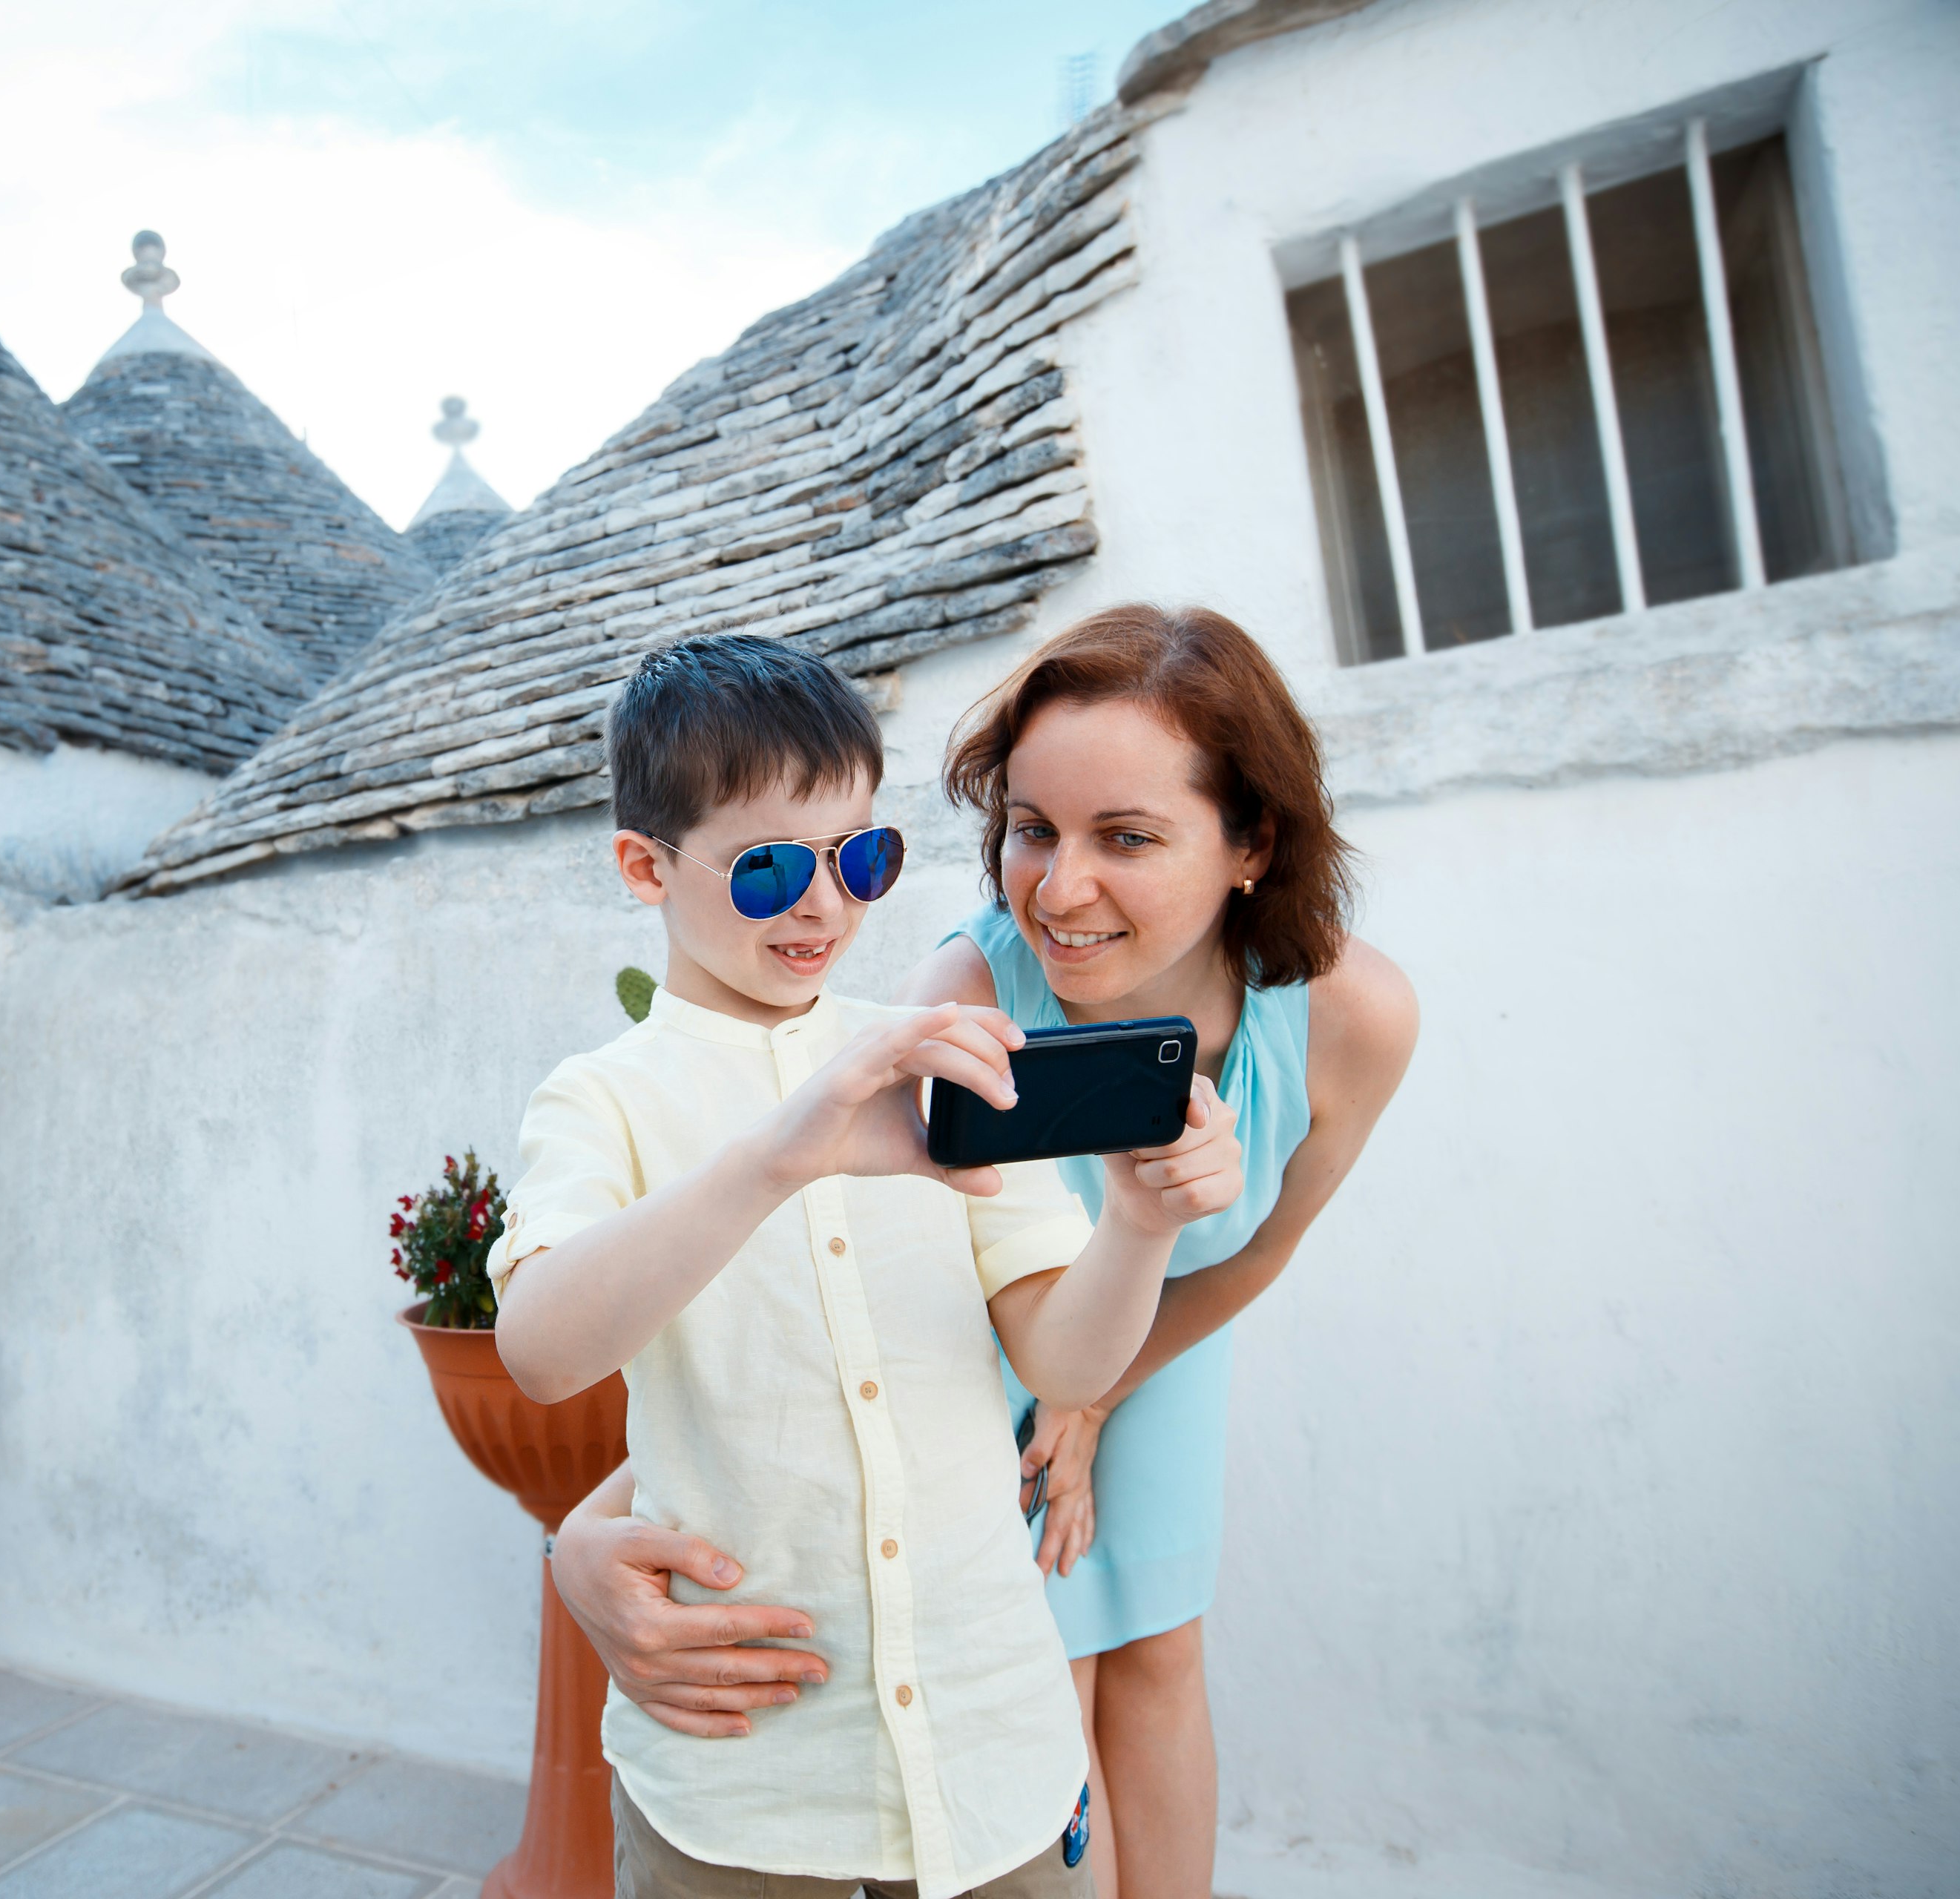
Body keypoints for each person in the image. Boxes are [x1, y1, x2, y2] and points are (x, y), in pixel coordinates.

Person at [548, 605, 1418, 1899]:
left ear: (1251, 845)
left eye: (1127, 836)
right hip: (988, 1373)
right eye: (1030, 830)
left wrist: (1100, 1386)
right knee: (1040, 1670)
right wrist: (581, 1537)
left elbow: (1251, 1252)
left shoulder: (1355, 1017)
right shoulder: (950, 1008)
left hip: (1151, 1334)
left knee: (1163, 1656)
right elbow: (814, 1325)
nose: (1058, 889)